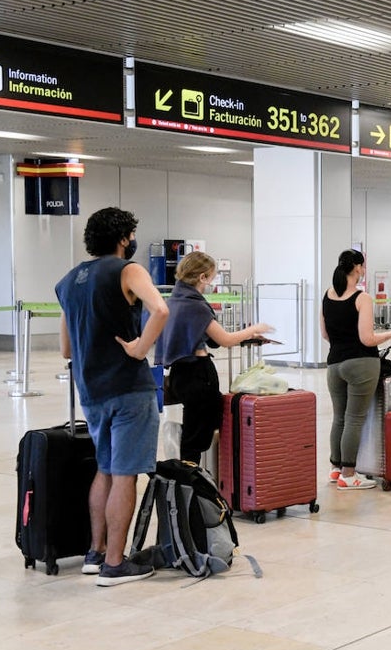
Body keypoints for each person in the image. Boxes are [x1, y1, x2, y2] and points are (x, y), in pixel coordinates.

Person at [55, 207, 168, 586]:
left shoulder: (68, 282)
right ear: (123, 239)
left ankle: (96, 552)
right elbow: (161, 309)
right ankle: (116, 564)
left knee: (104, 469)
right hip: (129, 389)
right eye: (131, 235)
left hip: (91, 391)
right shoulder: (127, 271)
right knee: (125, 474)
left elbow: (66, 349)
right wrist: (140, 348)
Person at [156, 251, 273, 463]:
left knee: (194, 426)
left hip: (178, 376)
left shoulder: (174, 301)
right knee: (199, 432)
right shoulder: (196, 305)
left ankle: (193, 472)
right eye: (213, 275)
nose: (214, 279)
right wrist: (253, 329)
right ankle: (191, 479)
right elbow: (225, 339)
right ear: (203, 277)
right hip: (198, 375)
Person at [321, 250, 391, 490]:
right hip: (361, 363)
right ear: (358, 268)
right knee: (354, 419)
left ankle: (335, 469)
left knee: (339, 417)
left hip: (334, 364)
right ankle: (349, 475)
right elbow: (367, 339)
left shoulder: (327, 296)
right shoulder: (362, 298)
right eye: (363, 266)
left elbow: (325, 334)